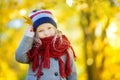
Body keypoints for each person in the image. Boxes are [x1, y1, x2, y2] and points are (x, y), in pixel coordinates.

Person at [15, 9, 77, 80]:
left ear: (55, 28)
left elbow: (72, 74)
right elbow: (19, 57)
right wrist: (28, 36)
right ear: (36, 33)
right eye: (41, 30)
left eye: (49, 28)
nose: (46, 33)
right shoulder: (33, 47)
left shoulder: (64, 47)